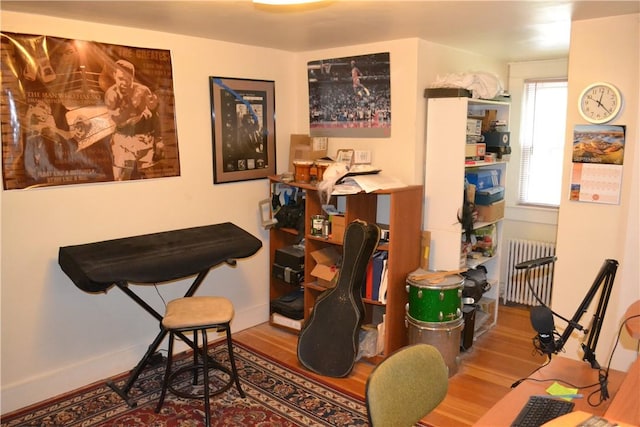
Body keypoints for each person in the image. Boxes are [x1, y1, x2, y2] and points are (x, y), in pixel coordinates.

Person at [104, 59, 163, 180]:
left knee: (151, 179)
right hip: (122, 138)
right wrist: (135, 107)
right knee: (121, 180)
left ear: (133, 77)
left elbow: (154, 115)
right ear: (114, 76)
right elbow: (118, 122)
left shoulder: (143, 90)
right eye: (121, 78)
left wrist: (159, 140)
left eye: (128, 78)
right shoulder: (111, 94)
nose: (124, 82)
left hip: (144, 138)